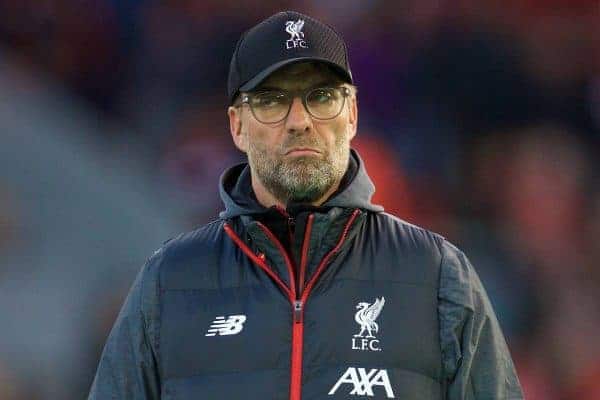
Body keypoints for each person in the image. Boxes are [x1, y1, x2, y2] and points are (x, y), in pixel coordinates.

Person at [88, 10, 524, 400]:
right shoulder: (169, 283)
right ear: (237, 126)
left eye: (321, 97)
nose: (300, 121)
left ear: (351, 114)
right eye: (272, 100)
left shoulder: (438, 277)